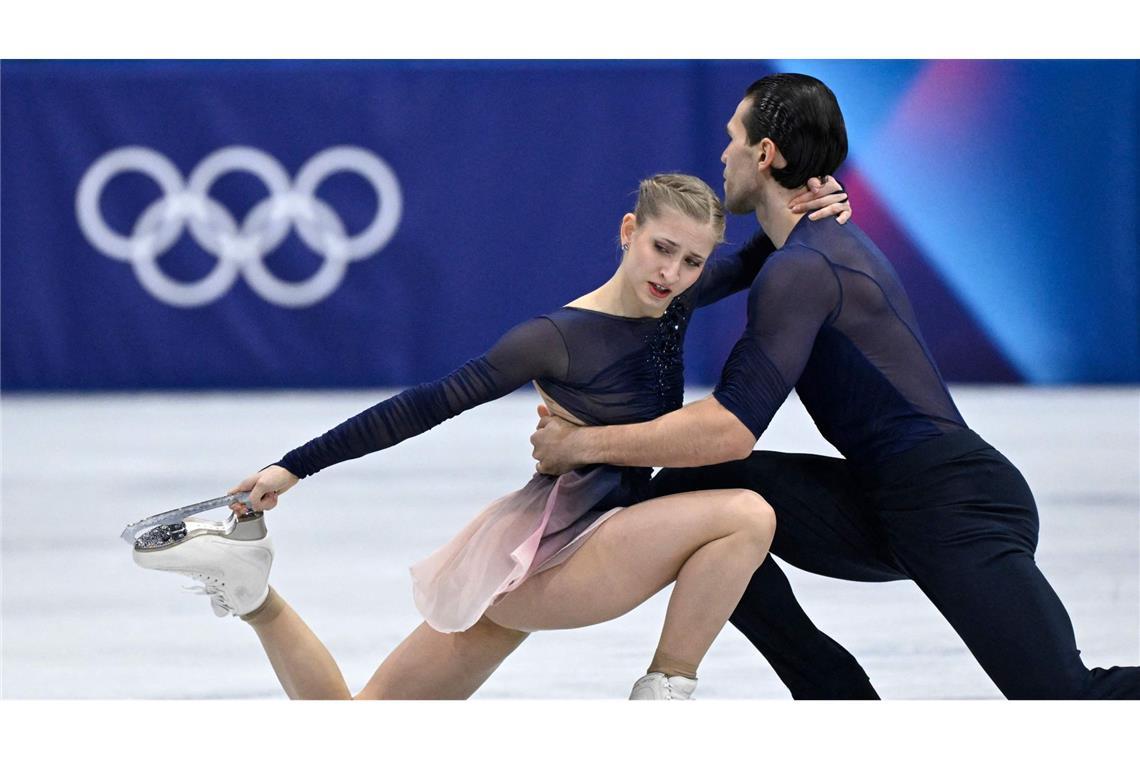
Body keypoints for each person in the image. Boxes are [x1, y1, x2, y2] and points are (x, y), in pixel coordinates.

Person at [529, 73, 1140, 699]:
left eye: (733, 138)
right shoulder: (795, 250)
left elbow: (728, 431)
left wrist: (584, 445)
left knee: (1064, 699)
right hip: (885, 501)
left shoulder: (804, 267)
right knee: (691, 491)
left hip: (955, 502)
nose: (723, 154)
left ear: (765, 154)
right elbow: (687, 291)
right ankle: (837, 698)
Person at [134, 172, 853, 700]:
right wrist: (293, 467)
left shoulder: (675, 298)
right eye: (662, 249)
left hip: (551, 548)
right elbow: (428, 403)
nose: (674, 273)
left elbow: (760, 257)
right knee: (745, 515)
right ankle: (667, 690)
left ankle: (256, 599)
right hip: (568, 550)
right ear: (629, 231)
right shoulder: (555, 338)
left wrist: (815, 208)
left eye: (692, 261)